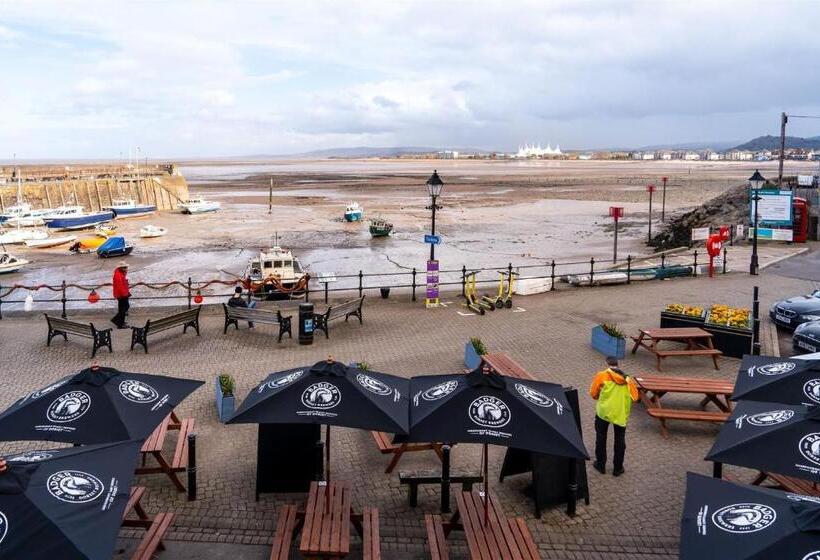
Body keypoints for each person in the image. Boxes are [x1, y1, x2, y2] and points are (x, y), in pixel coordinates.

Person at [589, 356, 638, 476]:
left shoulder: (601, 375)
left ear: (607, 364)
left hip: (603, 412)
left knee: (601, 437)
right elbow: (635, 397)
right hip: (620, 413)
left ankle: (600, 465)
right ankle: (618, 468)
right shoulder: (628, 380)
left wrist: (600, 397)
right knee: (620, 439)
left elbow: (593, 393)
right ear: (617, 365)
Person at [110, 261, 131, 329]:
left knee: (122, 308)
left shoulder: (120, 273)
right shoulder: (118, 275)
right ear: (121, 268)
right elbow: (120, 287)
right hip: (121, 295)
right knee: (124, 308)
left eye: (126, 267)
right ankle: (119, 323)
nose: (126, 269)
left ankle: (119, 321)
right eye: (125, 267)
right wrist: (125, 294)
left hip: (122, 293)